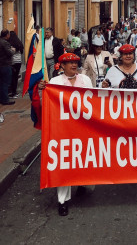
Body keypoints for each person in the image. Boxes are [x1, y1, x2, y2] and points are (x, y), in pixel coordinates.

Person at [38, 53, 95, 216]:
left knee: (83, 158)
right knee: (64, 161)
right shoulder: (54, 82)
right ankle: (62, 201)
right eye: (69, 63)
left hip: (83, 127)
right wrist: (43, 90)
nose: (73, 65)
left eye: (75, 62)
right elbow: (46, 104)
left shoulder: (85, 80)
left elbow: (94, 102)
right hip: (62, 129)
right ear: (61, 66)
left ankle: (82, 183)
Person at [0, 29, 15, 105]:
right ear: (7, 35)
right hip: (5, 65)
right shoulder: (5, 43)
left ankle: (2, 98)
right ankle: (5, 99)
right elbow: (9, 53)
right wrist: (13, 50)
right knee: (5, 83)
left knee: (1, 82)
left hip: (1, 64)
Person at [8, 31, 24, 99]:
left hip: (13, 62)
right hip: (19, 62)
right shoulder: (19, 43)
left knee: (12, 77)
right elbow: (22, 52)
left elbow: (10, 53)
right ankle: (15, 92)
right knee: (16, 77)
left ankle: (13, 92)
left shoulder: (10, 44)